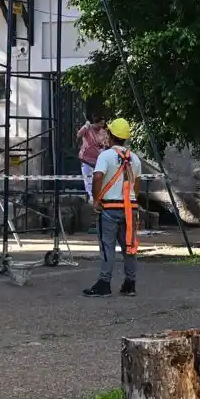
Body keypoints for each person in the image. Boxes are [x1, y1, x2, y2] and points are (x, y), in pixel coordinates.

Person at [84, 117, 141, 297]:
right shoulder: (135, 158)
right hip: (129, 209)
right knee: (129, 247)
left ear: (111, 135)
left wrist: (95, 199)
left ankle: (104, 284)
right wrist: (132, 200)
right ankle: (130, 284)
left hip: (109, 208)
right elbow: (137, 184)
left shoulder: (105, 155)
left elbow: (98, 177)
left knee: (107, 246)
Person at [75, 113, 111, 201]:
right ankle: (91, 197)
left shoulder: (103, 132)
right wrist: (85, 127)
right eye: (100, 124)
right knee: (88, 179)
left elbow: (107, 143)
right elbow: (78, 135)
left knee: (98, 178)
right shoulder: (88, 128)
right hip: (86, 159)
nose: (101, 126)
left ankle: (99, 196)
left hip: (98, 159)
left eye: (103, 124)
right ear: (95, 122)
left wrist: (103, 147)